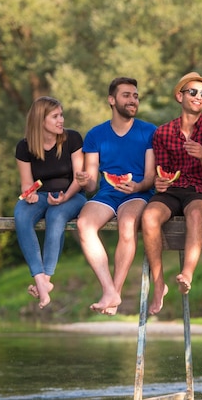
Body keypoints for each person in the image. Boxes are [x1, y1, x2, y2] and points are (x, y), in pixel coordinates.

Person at [142, 72, 202, 315]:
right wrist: (160, 182)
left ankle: (187, 272)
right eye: (193, 92)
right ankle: (159, 283)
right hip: (173, 191)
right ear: (180, 96)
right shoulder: (163, 133)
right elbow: (162, 174)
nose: (199, 97)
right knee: (149, 217)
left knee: (197, 214)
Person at [75, 77, 157, 315]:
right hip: (108, 193)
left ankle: (115, 291)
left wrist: (138, 186)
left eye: (135, 96)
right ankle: (108, 289)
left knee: (127, 223)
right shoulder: (95, 135)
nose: (133, 100)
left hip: (139, 192)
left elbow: (151, 177)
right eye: (126, 95)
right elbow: (91, 184)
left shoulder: (149, 131)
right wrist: (85, 180)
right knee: (84, 224)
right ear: (112, 100)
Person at [14, 96, 87, 309]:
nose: (61, 120)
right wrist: (30, 195)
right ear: (40, 119)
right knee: (21, 215)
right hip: (41, 196)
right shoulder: (24, 147)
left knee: (55, 216)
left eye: (61, 115)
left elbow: (78, 178)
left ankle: (46, 279)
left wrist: (66, 195)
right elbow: (27, 183)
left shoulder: (73, 139)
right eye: (55, 116)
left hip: (72, 195)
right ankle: (40, 280)